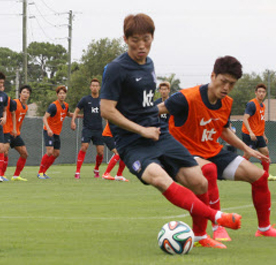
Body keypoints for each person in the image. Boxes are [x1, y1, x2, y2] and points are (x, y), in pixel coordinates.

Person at [99, 13, 242, 249]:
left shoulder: (150, 64)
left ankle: (199, 237)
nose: (141, 45)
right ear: (125, 39)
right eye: (135, 40)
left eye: (146, 39)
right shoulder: (115, 69)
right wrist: (142, 131)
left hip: (159, 135)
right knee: (159, 178)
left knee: (200, 182)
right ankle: (217, 217)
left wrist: (152, 128)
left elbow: (145, 104)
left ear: (152, 38)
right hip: (132, 143)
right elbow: (107, 110)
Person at [159, 56, 276, 246]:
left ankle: (264, 228)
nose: (226, 88)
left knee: (260, 176)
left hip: (212, 151)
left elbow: (223, 130)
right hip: (183, 153)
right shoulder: (186, 98)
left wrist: (246, 148)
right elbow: (155, 111)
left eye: (232, 84)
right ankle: (216, 226)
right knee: (209, 170)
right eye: (223, 81)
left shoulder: (226, 103)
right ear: (213, 76)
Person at [241, 83, 276, 181]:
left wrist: (264, 135)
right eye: (259, 91)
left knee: (265, 152)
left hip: (259, 135)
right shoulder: (252, 104)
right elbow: (245, 118)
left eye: (263, 92)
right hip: (249, 134)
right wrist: (251, 132)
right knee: (247, 155)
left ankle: (266, 175)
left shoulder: (263, 105)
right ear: (256, 93)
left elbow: (260, 121)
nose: (261, 94)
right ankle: (237, 171)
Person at [72, 78, 105, 179]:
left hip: (99, 129)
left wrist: (109, 126)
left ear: (99, 87)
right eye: (93, 85)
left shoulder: (103, 100)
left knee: (100, 152)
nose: (94, 87)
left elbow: (108, 114)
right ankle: (77, 172)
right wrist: (73, 121)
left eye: (96, 86)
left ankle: (96, 169)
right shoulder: (85, 99)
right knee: (84, 147)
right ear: (90, 87)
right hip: (87, 128)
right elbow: (76, 111)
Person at [37, 86, 72, 179]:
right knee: (49, 151)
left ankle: (44, 172)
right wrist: (48, 129)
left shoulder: (66, 106)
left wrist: (80, 116)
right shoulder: (53, 106)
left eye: (63, 93)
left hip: (57, 132)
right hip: (48, 131)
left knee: (56, 153)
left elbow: (69, 114)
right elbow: (44, 118)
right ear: (57, 95)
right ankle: (40, 172)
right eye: (60, 93)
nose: (62, 95)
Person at [9, 85, 32, 181]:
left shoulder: (25, 107)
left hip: (15, 133)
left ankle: (16, 176)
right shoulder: (14, 102)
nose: (25, 94)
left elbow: (20, 121)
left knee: (24, 153)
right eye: (24, 92)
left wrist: (18, 131)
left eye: (27, 93)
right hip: (7, 132)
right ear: (20, 93)